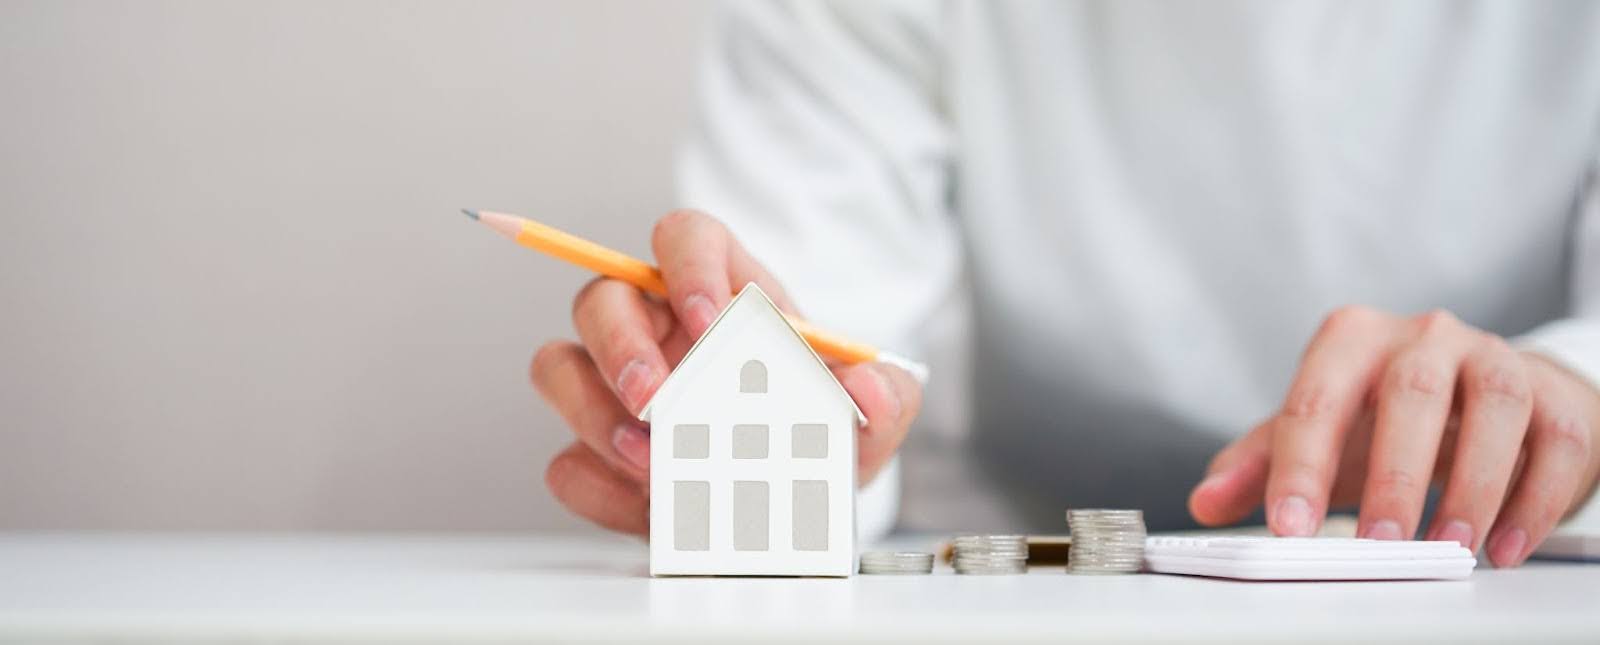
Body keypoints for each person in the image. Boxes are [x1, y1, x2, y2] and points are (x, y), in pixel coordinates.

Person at [531, 1, 1600, 567]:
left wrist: (1576, 387)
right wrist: (749, 436)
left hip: (1502, 560)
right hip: (1007, 540)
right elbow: (809, 311)